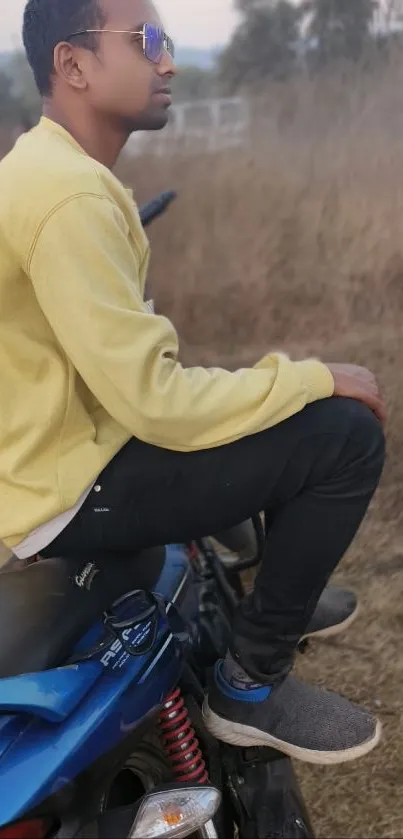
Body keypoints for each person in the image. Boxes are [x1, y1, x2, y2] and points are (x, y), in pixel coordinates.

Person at [0, 0, 385, 765]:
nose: (167, 61)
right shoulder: (67, 194)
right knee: (342, 435)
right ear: (73, 65)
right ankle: (250, 684)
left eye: (168, 42)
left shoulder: (52, 170)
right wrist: (312, 375)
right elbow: (157, 403)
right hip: (67, 486)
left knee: (262, 403)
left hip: (73, 450)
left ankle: (276, 598)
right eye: (146, 41)